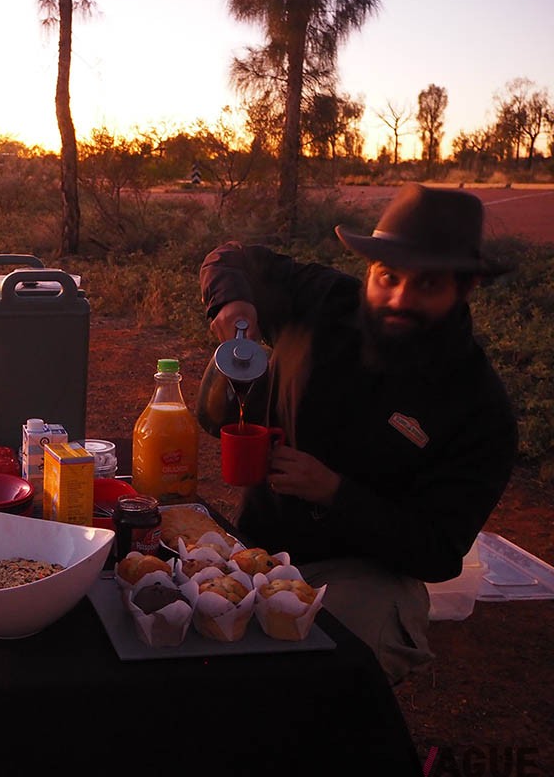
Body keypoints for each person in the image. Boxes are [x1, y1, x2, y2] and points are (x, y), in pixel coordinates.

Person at [199, 183, 518, 684]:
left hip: (364, 574)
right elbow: (230, 257)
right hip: (255, 547)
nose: (399, 298)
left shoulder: (479, 408)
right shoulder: (326, 301)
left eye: (427, 285)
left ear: (465, 288)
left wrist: (335, 493)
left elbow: (437, 550)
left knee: (331, 664)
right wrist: (233, 306)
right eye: (387, 277)